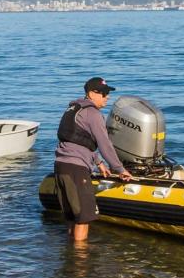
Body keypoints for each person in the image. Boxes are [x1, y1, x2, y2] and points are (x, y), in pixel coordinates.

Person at [54, 77, 133, 241]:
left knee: (72, 218)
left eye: (108, 93)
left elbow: (76, 140)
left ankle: (71, 261)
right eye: (104, 93)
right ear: (91, 93)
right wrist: (120, 169)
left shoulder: (73, 110)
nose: (107, 97)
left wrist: (98, 162)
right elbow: (105, 145)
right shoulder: (93, 113)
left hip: (61, 166)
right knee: (83, 219)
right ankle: (81, 264)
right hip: (76, 169)